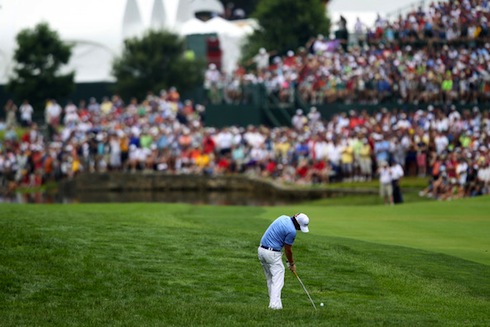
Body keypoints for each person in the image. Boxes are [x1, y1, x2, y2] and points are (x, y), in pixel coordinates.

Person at [258, 212, 310, 310]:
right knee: (278, 280)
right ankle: (274, 306)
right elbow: (288, 250)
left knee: (271, 279)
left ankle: (275, 305)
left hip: (261, 250)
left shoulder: (283, 217)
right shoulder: (291, 231)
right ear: (298, 224)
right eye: (300, 227)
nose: (299, 229)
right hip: (272, 253)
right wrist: (291, 264)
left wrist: (288, 262)